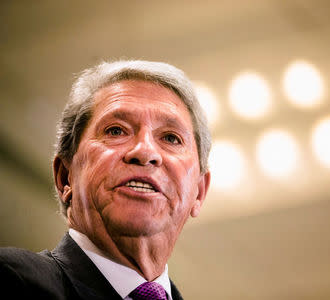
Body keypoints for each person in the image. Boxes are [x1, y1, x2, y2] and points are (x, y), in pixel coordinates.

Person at [0, 60, 212, 300]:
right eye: (116, 130)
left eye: (171, 138)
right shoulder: (14, 280)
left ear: (199, 191)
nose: (144, 152)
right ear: (65, 177)